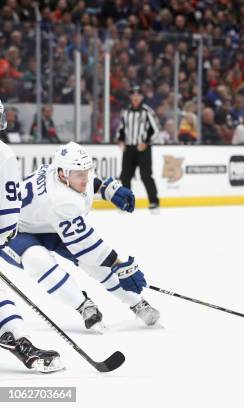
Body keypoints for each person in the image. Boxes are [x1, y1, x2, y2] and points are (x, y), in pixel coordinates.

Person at [0, 141, 161, 334]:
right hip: (12, 230)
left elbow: (85, 177)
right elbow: (90, 248)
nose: (85, 179)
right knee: (37, 260)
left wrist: (106, 189)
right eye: (80, 176)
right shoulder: (61, 200)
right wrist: (119, 265)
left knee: (94, 263)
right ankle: (83, 305)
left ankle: (137, 303)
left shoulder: (61, 170)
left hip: (46, 223)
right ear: (62, 174)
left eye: (86, 172)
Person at [0, 100, 64, 373]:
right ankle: (16, 336)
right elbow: (7, 208)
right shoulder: (3, 154)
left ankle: (14, 335)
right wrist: (5, 234)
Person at [116, 84, 160, 212]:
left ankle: (154, 202)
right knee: (125, 176)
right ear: (130, 97)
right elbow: (121, 129)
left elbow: (156, 130)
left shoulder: (147, 111)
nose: (135, 97)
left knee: (146, 176)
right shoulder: (126, 112)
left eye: (138, 95)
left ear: (141, 97)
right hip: (129, 148)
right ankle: (126, 202)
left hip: (143, 149)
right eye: (133, 95)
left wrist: (146, 143)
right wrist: (121, 141)